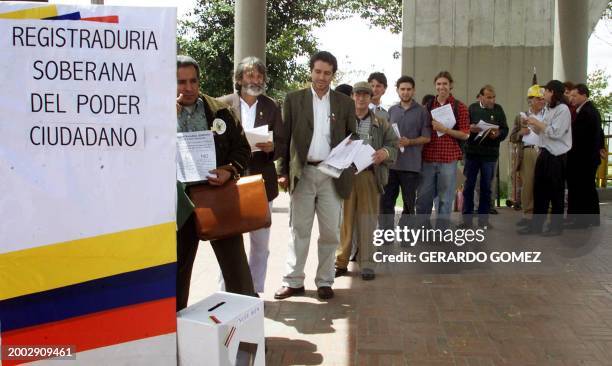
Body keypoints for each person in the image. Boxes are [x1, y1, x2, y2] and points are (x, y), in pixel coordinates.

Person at [175, 55, 255, 311]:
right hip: (180, 204)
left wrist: (229, 170)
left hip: (216, 198)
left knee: (237, 271)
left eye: (193, 81)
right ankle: (173, 337)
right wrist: (163, 119)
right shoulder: (155, 113)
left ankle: (248, 329)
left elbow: (242, 149)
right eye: (180, 82)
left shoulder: (219, 109)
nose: (187, 87)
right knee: (175, 275)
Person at [275, 51, 356, 300]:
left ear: (333, 74)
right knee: (299, 230)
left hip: (332, 175)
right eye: (318, 71)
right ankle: (294, 280)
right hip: (303, 173)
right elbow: (283, 138)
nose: (322, 77)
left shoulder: (345, 103)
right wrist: (282, 171)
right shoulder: (293, 99)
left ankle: (324, 281)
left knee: (330, 231)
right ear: (311, 71)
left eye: (327, 73)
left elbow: (353, 137)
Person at [217, 56, 284, 293]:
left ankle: (254, 291)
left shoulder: (271, 106)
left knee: (260, 243)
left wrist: (272, 147)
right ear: (239, 78)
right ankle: (226, 292)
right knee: (228, 242)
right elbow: (213, 141)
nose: (255, 80)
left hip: (261, 182)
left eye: (259, 76)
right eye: (249, 75)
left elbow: (282, 142)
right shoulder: (221, 104)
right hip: (230, 183)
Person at [334, 81, 398, 280]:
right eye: (358, 94)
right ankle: (341, 261)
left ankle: (368, 263)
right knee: (344, 220)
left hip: (370, 176)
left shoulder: (381, 122)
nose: (361, 98)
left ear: (371, 98)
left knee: (368, 220)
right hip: (346, 175)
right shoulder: (341, 120)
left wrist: (385, 153)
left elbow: (393, 145)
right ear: (352, 96)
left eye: (365, 95)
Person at [416, 71, 470, 229]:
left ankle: (442, 231)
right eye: (439, 84)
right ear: (435, 86)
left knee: (445, 199)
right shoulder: (427, 107)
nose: (442, 87)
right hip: (428, 157)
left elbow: (465, 134)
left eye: (445, 84)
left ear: (451, 85)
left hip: (448, 159)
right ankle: (422, 228)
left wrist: (444, 129)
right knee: (424, 197)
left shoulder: (460, 107)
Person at [518, 80, 572, 236]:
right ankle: (536, 225)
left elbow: (555, 132)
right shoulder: (549, 109)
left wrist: (536, 122)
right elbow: (541, 131)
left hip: (556, 155)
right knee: (539, 191)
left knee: (556, 193)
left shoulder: (563, 110)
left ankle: (556, 227)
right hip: (544, 153)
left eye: (546, 91)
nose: (543, 94)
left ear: (553, 92)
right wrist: (530, 123)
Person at [379, 76, 431, 235]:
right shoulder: (392, 110)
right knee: (386, 202)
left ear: (413, 91)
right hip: (391, 165)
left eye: (409, 89)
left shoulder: (422, 112)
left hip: (411, 166)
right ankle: (386, 234)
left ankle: (406, 234)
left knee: (409, 204)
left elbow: (427, 137)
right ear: (397, 91)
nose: (406, 92)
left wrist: (410, 142)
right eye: (402, 89)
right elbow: (386, 135)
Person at [461, 85, 508, 227]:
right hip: (472, 153)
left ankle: (484, 220)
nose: (492, 100)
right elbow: (464, 127)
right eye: (488, 97)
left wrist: (498, 134)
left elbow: (505, 129)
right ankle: (467, 220)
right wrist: (471, 128)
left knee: (486, 187)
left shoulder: (498, 110)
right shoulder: (472, 108)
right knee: (469, 186)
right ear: (480, 97)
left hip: (490, 155)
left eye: (493, 97)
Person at [566, 83, 604, 228]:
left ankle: (581, 221)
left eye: (575, 95)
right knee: (588, 188)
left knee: (581, 188)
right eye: (571, 95)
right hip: (588, 158)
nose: (572, 98)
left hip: (583, 159)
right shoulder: (589, 110)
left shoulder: (587, 112)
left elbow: (580, 137)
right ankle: (591, 219)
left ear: (584, 95)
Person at [510, 84, 546, 226]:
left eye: (543, 99)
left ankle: (540, 214)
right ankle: (527, 214)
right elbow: (512, 137)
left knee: (542, 183)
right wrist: (520, 133)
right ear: (530, 100)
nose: (541, 101)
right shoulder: (521, 117)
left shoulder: (547, 115)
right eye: (538, 99)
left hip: (544, 151)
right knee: (528, 184)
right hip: (528, 151)